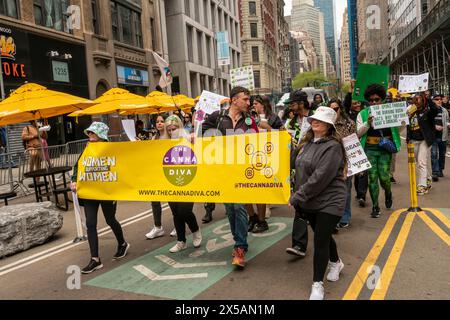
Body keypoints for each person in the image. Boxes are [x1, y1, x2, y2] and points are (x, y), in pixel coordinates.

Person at [289, 106, 347, 300]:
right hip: (310, 200)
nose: (315, 121)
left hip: (331, 199)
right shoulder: (306, 143)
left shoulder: (333, 146)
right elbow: (294, 166)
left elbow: (320, 177)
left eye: (320, 120)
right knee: (324, 235)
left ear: (329, 125)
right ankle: (336, 262)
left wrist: (297, 196)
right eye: (314, 119)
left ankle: (317, 284)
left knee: (320, 240)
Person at [202, 86, 257, 268]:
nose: (248, 103)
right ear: (234, 100)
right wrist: (195, 136)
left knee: (240, 207)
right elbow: (202, 133)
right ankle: (238, 240)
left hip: (241, 171)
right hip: (222, 171)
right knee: (230, 209)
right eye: (245, 99)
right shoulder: (216, 117)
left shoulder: (249, 120)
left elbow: (258, 141)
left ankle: (240, 246)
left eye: (249, 100)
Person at [70, 122, 130, 274]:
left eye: (93, 133)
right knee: (90, 224)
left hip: (106, 191)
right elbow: (78, 166)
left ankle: (122, 243)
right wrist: (74, 179)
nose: (89, 136)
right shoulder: (87, 149)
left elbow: (121, 166)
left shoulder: (111, 149)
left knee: (110, 219)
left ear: (101, 136)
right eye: (89, 133)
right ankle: (95, 259)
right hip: (90, 191)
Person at [357, 84, 401, 218]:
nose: (374, 102)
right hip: (369, 149)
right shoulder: (363, 114)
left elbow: (398, 131)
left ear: (382, 99)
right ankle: (375, 206)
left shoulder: (389, 111)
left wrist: (402, 119)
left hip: (384, 149)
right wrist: (368, 124)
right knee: (372, 178)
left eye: (377, 99)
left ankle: (388, 193)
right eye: (371, 100)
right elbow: (358, 133)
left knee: (384, 178)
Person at [165, 115, 202, 253]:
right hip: (171, 181)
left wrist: (193, 139)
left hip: (188, 180)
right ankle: (181, 241)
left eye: (174, 129)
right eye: (168, 130)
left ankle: (196, 231)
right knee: (175, 212)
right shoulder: (162, 142)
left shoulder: (188, 139)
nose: (171, 132)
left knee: (184, 211)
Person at [247, 95, 283, 233]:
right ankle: (252, 217)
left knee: (261, 188)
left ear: (263, 104)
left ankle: (262, 217)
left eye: (256, 103)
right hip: (250, 156)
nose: (253, 106)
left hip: (268, 156)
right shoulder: (248, 118)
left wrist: (268, 128)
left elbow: (283, 135)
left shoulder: (273, 118)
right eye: (252, 104)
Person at [145, 114, 177, 239]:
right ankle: (158, 227)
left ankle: (177, 225)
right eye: (157, 121)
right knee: (154, 200)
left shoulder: (170, 136)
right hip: (156, 172)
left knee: (172, 201)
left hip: (168, 172)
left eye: (162, 121)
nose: (159, 123)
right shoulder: (154, 137)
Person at [328, 99, 356, 229]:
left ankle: (345, 216)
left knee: (345, 191)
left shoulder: (349, 124)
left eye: (336, 109)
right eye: (331, 109)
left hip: (346, 162)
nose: (334, 111)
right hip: (328, 162)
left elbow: (355, 144)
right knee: (331, 192)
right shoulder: (326, 124)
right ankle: (333, 217)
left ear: (341, 109)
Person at [406, 93, 439, 195]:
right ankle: (428, 179)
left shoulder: (427, 112)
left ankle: (422, 186)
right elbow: (407, 126)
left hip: (424, 140)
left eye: (418, 99)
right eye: (414, 99)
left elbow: (435, 110)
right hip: (414, 140)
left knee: (421, 162)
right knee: (418, 162)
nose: (416, 101)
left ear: (423, 100)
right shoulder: (409, 112)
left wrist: (428, 97)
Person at [344, 80, 368, 207]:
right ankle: (358, 192)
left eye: (358, 102)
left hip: (363, 145)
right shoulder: (347, 115)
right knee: (353, 173)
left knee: (362, 171)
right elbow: (346, 103)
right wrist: (350, 91)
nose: (357, 104)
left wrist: (359, 89)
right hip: (350, 146)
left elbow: (365, 101)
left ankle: (362, 194)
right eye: (354, 103)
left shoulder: (364, 113)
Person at [431, 94, 449, 180]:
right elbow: (427, 122)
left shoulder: (444, 110)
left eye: (440, 99)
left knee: (442, 154)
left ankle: (440, 170)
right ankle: (435, 172)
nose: (439, 101)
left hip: (443, 136)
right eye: (436, 99)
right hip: (433, 136)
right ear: (433, 101)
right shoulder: (430, 110)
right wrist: (435, 127)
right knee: (434, 154)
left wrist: (448, 124)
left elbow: (447, 120)